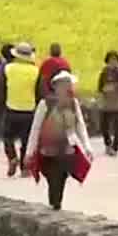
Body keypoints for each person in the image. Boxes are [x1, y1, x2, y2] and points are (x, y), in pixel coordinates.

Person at [26, 72, 92, 211]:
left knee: (61, 178)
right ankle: (55, 205)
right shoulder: (46, 104)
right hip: (48, 150)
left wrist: (87, 146)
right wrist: (29, 151)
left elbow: (80, 125)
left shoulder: (73, 103)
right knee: (53, 178)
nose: (66, 87)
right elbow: (36, 127)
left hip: (67, 149)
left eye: (68, 84)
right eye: (63, 84)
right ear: (55, 87)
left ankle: (56, 205)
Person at [2, 43, 41, 177]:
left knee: (7, 137)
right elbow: (39, 92)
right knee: (26, 140)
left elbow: (2, 89)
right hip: (29, 110)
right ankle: (25, 168)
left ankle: (12, 157)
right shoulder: (35, 71)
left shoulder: (8, 68)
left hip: (11, 107)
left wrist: (0, 106)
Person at [96, 51, 118, 155]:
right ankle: (108, 143)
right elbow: (100, 87)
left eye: (115, 60)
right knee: (104, 126)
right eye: (110, 60)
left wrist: (116, 87)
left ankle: (115, 147)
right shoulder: (104, 73)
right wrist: (104, 90)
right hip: (107, 103)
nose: (113, 62)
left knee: (117, 127)